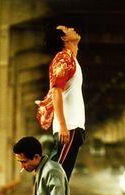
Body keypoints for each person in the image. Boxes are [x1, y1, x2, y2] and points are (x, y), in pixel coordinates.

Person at [36, 24, 86, 180]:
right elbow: (56, 90)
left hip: (73, 126)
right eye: (67, 29)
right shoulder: (63, 58)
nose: (72, 28)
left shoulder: (71, 60)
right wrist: (63, 125)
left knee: (61, 176)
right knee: (57, 175)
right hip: (69, 126)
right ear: (63, 38)